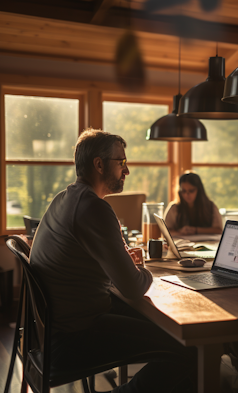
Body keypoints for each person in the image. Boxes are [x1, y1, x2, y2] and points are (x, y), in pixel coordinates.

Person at [30, 129, 196, 393]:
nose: (126, 171)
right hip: (72, 338)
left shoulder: (65, 198)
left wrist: (121, 264)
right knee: (189, 348)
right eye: (121, 162)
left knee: (171, 332)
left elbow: (85, 263)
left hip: (50, 331)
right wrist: (144, 269)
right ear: (98, 164)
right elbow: (132, 287)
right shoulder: (93, 207)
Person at [164, 171, 222, 235]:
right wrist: (180, 232)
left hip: (207, 244)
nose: (187, 194)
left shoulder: (210, 206)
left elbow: (219, 230)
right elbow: (165, 231)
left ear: (199, 190)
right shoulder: (174, 208)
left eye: (191, 191)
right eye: (184, 191)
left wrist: (196, 230)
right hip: (181, 243)